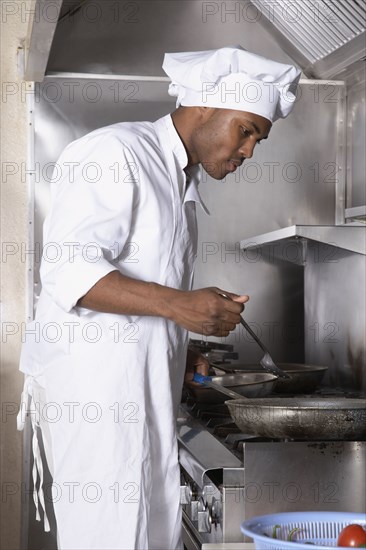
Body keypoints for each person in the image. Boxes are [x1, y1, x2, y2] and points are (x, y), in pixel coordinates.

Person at [17, 46, 301, 549]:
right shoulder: (117, 153)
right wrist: (180, 306)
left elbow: (137, 301)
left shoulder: (180, 184)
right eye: (247, 129)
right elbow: (68, 270)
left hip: (143, 400)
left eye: (257, 137)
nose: (250, 151)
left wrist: (178, 344)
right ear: (207, 106)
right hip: (100, 407)